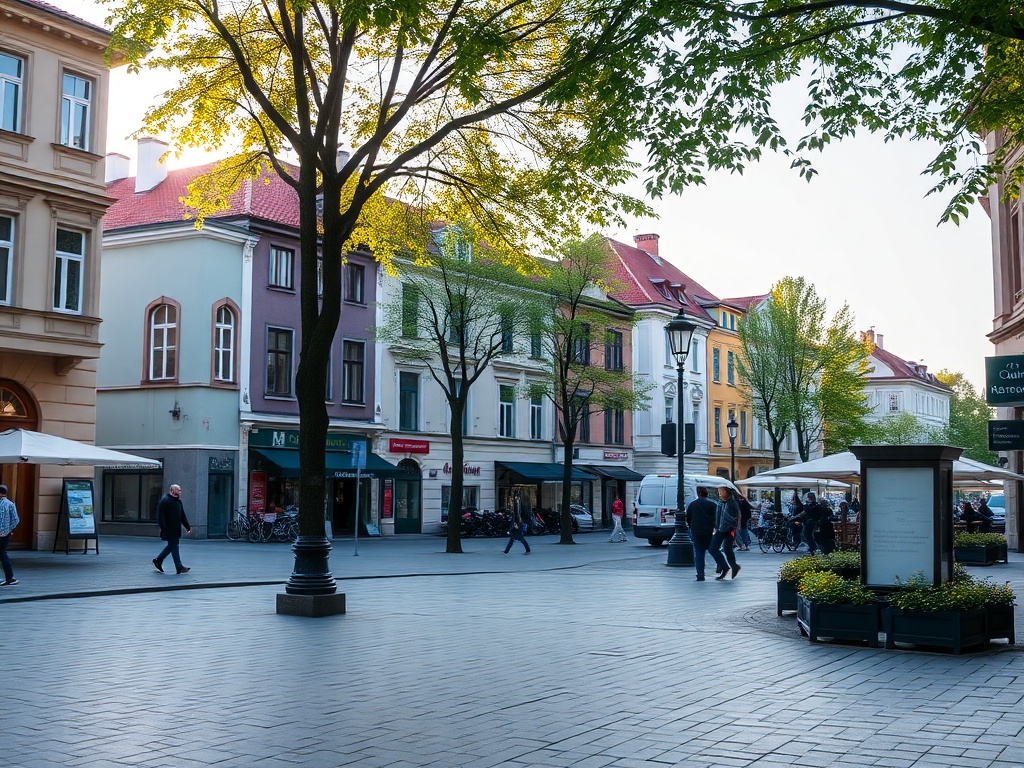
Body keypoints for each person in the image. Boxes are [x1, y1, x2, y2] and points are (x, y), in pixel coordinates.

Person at [153, 484, 192, 574]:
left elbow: (182, 515)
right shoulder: (165, 501)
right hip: (169, 529)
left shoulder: (178, 502)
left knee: (173, 546)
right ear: (172, 490)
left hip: (176, 529)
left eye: (180, 490)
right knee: (173, 545)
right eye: (178, 490)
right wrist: (164, 529)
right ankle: (177, 565)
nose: (180, 492)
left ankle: (160, 561)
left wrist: (187, 526)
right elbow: (161, 517)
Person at [685, 486, 718, 581]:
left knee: (699, 552)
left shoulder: (693, 504)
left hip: (696, 531)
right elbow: (716, 518)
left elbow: (688, 518)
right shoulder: (712, 504)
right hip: (708, 531)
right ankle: (720, 565)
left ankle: (700, 573)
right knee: (713, 549)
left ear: (698, 493)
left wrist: (691, 527)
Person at [711, 486, 741, 579]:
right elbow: (718, 516)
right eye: (718, 491)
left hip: (728, 529)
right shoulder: (721, 502)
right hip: (721, 528)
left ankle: (726, 567)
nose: (719, 492)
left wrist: (725, 526)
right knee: (727, 549)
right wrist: (716, 527)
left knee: (714, 548)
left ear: (727, 491)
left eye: (721, 491)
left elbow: (733, 518)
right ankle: (732, 566)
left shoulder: (731, 503)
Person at [0, 484, 20, 586]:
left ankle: (10, 577)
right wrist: (8, 530)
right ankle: (9, 577)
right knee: (2, 554)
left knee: (2, 554)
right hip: (5, 535)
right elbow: (16, 520)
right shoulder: (10, 504)